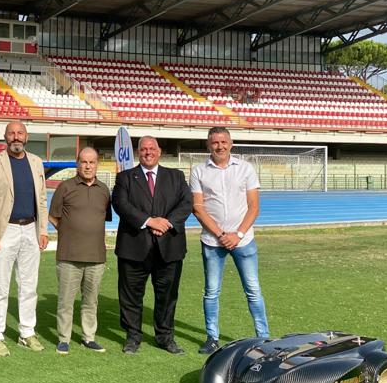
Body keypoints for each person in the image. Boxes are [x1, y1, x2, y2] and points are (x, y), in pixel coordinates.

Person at [189, 126, 270, 355]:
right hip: (213, 242)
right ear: (208, 145)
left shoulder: (245, 168)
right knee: (211, 291)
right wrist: (222, 235)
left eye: (224, 142)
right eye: (215, 142)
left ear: (231, 143)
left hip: (244, 241)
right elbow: (198, 208)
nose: (220, 146)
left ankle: (263, 337)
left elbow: (254, 207)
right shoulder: (198, 171)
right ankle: (212, 337)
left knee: (253, 290)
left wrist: (238, 234)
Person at [111, 135, 193, 355]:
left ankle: (165, 337)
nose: (148, 152)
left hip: (169, 247)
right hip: (134, 248)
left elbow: (187, 203)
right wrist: (149, 221)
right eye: (143, 149)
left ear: (159, 151)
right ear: (138, 152)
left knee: (167, 296)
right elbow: (121, 204)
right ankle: (133, 337)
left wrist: (166, 224)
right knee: (130, 296)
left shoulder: (176, 176)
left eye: (152, 148)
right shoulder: (125, 177)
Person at [0, 121, 49, 357]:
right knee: (0, 287)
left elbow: (42, 201)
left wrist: (44, 230)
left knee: (29, 287)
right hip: (4, 232)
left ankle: (27, 333)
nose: (16, 137)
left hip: (30, 230)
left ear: (26, 137)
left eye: (20, 133)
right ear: (5, 137)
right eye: (11, 133)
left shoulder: (36, 162)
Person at [48, 147, 112, 355]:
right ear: (77, 164)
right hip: (69, 256)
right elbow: (53, 216)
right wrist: (68, 232)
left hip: (96, 257)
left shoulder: (103, 189)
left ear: (97, 165)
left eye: (92, 162)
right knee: (66, 301)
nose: (88, 166)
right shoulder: (65, 187)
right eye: (84, 162)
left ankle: (88, 337)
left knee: (90, 301)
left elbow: (103, 217)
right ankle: (64, 339)